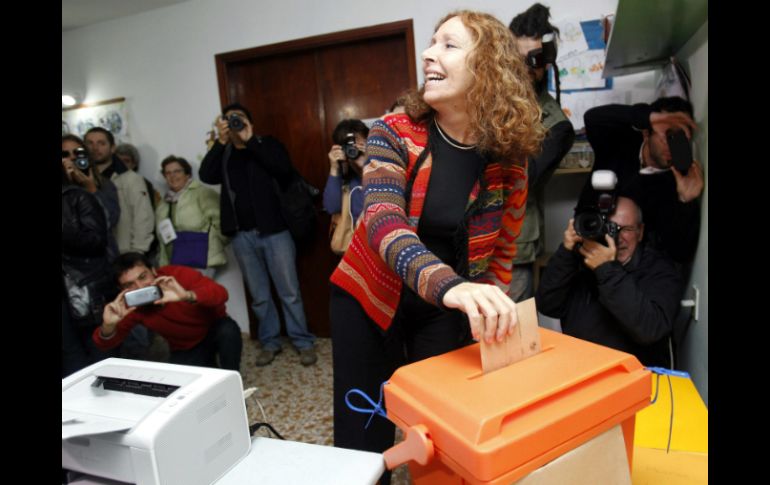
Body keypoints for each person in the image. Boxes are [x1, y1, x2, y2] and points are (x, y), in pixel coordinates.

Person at [328, 10, 543, 479]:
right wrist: (453, 287)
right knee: (362, 429)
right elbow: (384, 221)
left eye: (448, 45)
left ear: (488, 67)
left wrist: (488, 308)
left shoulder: (509, 159)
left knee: (441, 426)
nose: (428, 53)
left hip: (444, 306)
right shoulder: (392, 131)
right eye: (431, 43)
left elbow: (503, 250)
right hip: (369, 297)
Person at [199, 103, 317, 366]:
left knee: (289, 291)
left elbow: (283, 170)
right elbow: (206, 175)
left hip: (276, 232)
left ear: (250, 122)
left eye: (239, 119)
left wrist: (250, 140)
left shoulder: (267, 145)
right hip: (242, 236)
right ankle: (270, 342)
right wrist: (219, 142)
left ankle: (303, 341)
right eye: (229, 121)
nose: (234, 124)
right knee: (260, 295)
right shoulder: (225, 153)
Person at [535, 197, 682, 367]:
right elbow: (547, 304)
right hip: (581, 368)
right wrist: (566, 252)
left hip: (633, 374)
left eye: (626, 229)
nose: (618, 238)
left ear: (641, 232)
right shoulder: (581, 261)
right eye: (610, 228)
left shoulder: (660, 269)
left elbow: (649, 329)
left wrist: (606, 269)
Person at [577, 97, 703, 265]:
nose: (672, 145)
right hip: (586, 241)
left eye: (680, 137)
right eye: (668, 134)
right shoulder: (620, 143)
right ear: (646, 132)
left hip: (624, 268)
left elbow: (678, 252)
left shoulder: (677, 183)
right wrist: (648, 117)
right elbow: (593, 118)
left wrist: (685, 202)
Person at [508, 3, 576, 301]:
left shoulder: (556, 125)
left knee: (507, 340)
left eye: (531, 59)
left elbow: (521, 178)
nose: (522, 68)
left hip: (513, 248)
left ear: (545, 62)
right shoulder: (485, 98)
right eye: (514, 58)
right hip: (467, 241)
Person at [93, 252, 242, 371]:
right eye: (130, 285)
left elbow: (221, 293)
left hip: (212, 330)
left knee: (228, 330)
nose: (140, 287)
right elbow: (105, 344)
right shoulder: (131, 306)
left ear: (153, 271)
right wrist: (108, 326)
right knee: (186, 387)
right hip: (185, 348)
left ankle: (234, 379)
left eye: (143, 277)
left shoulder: (174, 276)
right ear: (122, 290)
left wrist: (187, 295)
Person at [62, 163, 118, 377]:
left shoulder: (77, 197)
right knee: (70, 361)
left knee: (100, 359)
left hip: (84, 287)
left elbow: (97, 240)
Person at [85, 127, 156, 255]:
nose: (95, 148)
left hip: (122, 253)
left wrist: (137, 252)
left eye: (101, 143)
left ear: (112, 148)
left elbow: (143, 218)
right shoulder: (79, 178)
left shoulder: (131, 179)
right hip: (91, 256)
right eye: (90, 143)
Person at [156, 155, 228, 277]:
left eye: (177, 171)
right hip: (173, 261)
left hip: (201, 257)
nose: (172, 176)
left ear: (187, 174)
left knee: (199, 295)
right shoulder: (163, 203)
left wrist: (211, 245)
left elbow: (222, 222)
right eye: (167, 173)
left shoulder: (202, 193)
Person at [62, 134, 121, 260]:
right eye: (65, 154)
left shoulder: (103, 183)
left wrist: (92, 189)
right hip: (71, 265)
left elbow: (110, 220)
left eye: (77, 153)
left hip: (103, 259)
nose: (72, 157)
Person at [322, 119, 369, 225]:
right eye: (351, 147)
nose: (356, 150)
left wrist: (370, 161)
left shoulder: (384, 170)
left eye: (360, 143)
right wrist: (334, 169)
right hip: (357, 237)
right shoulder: (347, 180)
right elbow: (332, 208)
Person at [116, 142, 162, 209]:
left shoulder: (144, 184)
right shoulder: (106, 181)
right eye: (118, 161)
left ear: (134, 164)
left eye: (126, 161)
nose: (122, 164)